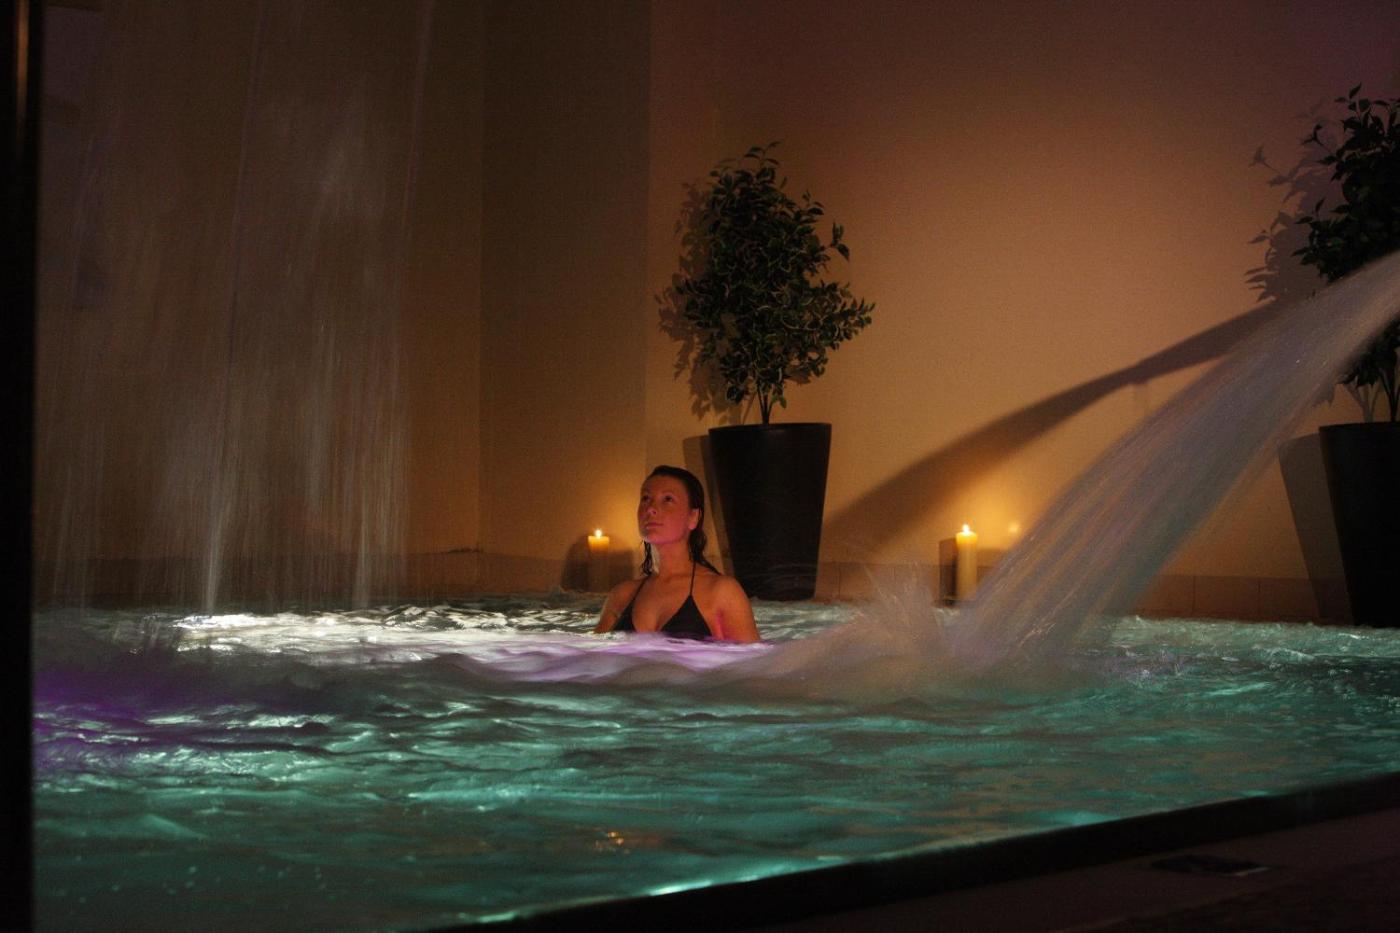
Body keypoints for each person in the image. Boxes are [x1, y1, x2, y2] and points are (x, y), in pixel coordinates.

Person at [594, 465, 759, 642]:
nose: (650, 508)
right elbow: (593, 656)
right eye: (646, 498)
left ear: (693, 517)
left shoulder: (722, 592)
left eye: (667, 499)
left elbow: (754, 658)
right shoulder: (621, 596)